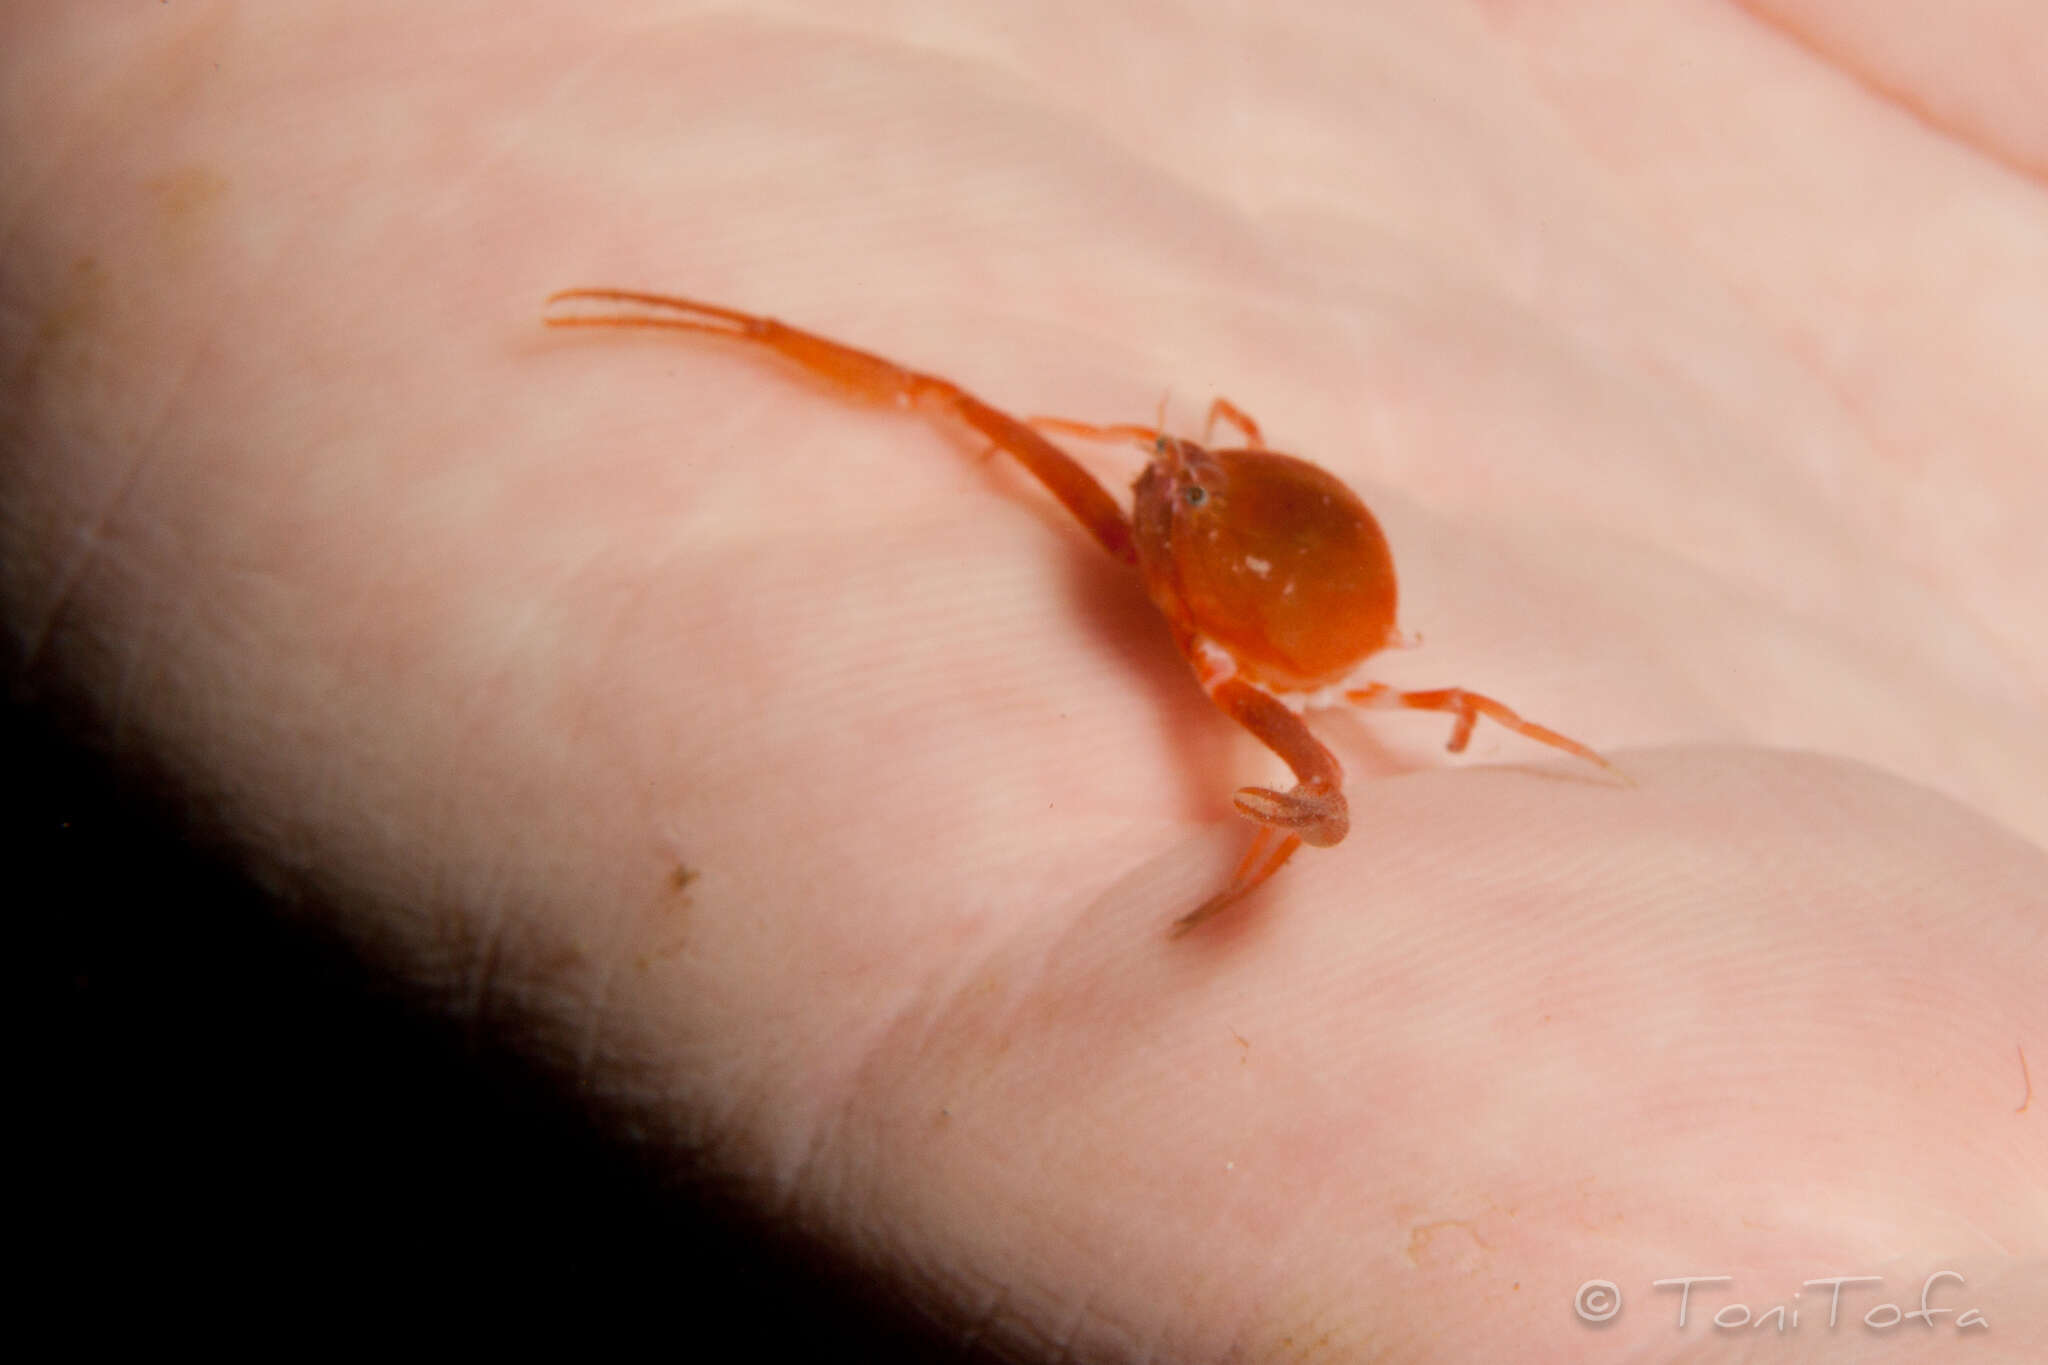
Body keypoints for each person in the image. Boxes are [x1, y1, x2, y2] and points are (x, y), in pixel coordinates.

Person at [5, 4, 2043, 1356]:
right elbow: (967, 402)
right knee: (955, 403)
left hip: (1302, 639)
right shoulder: (1155, 496)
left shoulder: (1260, 673)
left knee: (1326, 789)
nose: (1134, 488)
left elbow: (1325, 778)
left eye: (1167, 481)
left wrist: (1265, 833)